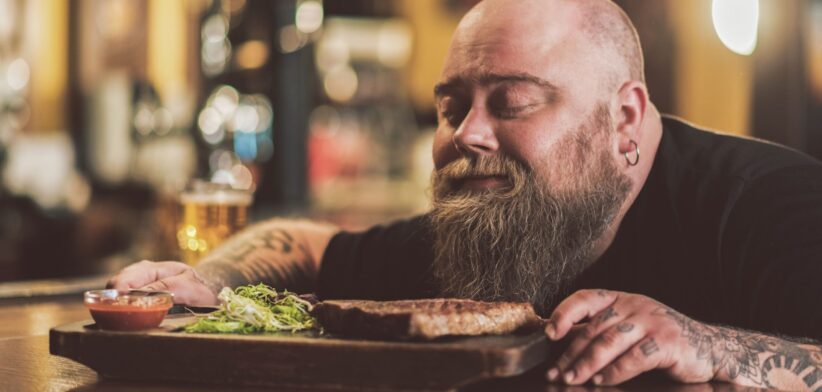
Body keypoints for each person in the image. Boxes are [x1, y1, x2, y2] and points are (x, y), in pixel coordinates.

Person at [108, 0, 822, 389]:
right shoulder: (495, 222)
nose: (466, 135)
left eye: (511, 102)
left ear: (625, 120)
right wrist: (212, 278)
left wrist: (712, 346)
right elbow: (307, 245)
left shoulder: (768, 206)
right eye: (451, 108)